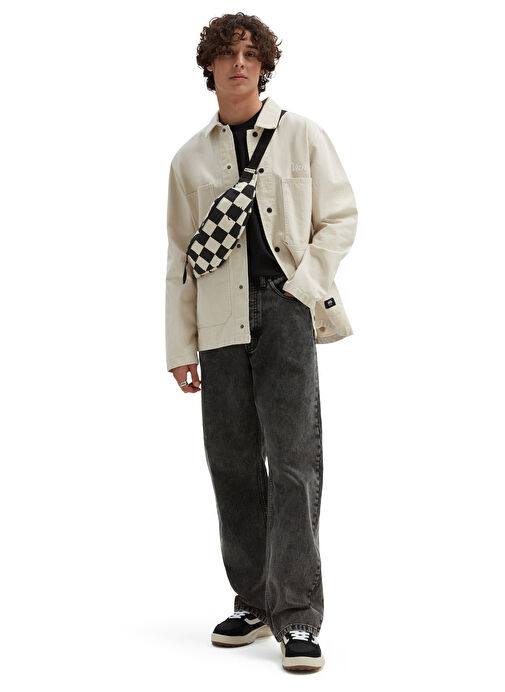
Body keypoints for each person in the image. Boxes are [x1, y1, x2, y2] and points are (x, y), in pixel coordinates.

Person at [165, 12, 358, 672]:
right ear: (210, 67)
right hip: (219, 322)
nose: (239, 63)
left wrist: (304, 286)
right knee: (232, 462)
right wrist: (180, 346)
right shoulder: (189, 158)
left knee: (294, 464)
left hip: (285, 311)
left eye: (250, 53)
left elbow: (340, 217)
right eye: (227, 53)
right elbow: (180, 257)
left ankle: (297, 615)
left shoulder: (301, 135)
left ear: (265, 64)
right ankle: (252, 601)